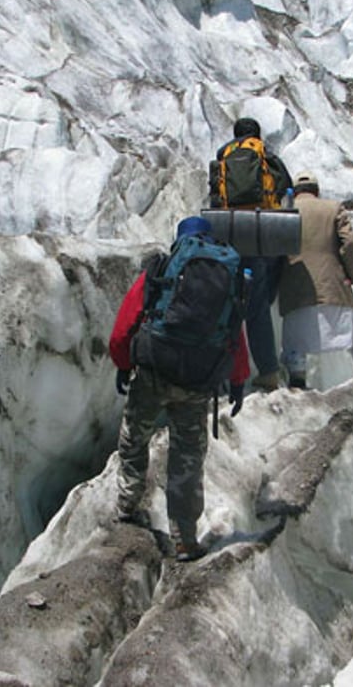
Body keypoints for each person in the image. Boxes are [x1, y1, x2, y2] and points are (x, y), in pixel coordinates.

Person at [109, 216, 250, 562]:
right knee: (187, 456)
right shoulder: (228, 278)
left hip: (155, 369)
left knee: (135, 438)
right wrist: (237, 379)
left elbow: (125, 324)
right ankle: (185, 538)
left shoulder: (164, 269)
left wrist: (124, 365)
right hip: (197, 380)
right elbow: (235, 334)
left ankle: (127, 506)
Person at [277, 171, 353, 388]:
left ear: (295, 192)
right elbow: (349, 244)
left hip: (294, 285)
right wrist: (351, 273)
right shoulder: (333, 208)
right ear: (316, 191)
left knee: (296, 337)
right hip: (332, 283)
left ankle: (297, 381)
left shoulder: (283, 212)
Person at [212, 117, 292, 391]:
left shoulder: (223, 156)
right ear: (257, 134)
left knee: (225, 306)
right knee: (258, 308)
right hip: (260, 233)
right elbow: (284, 189)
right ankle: (268, 371)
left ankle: (222, 373)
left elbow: (214, 197)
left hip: (229, 233)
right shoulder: (266, 156)